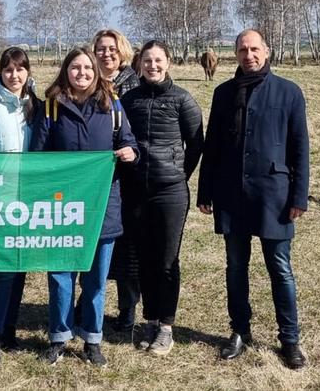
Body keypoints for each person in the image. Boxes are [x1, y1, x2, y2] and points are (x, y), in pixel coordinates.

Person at [197, 29, 309, 370]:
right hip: (232, 194)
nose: (249, 55)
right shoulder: (223, 93)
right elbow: (212, 146)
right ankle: (239, 332)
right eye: (243, 50)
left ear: (267, 51)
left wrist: (299, 197)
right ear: (236, 54)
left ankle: (290, 340)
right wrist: (205, 191)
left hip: (273, 196)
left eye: (255, 49)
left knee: (280, 269)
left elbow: (299, 148)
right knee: (235, 267)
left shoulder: (289, 92)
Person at [31, 47, 138, 367]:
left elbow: (128, 142)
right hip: (62, 208)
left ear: (96, 72)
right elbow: (37, 158)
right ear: (66, 71)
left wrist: (130, 152)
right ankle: (59, 337)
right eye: (75, 68)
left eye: (87, 69)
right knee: (61, 276)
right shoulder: (51, 106)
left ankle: (92, 339)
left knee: (95, 280)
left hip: (101, 207)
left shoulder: (112, 104)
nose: (82, 73)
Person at [120, 40, 204, 356]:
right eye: (147, 60)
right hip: (136, 191)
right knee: (143, 259)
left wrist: (178, 174)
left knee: (167, 260)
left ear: (168, 62)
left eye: (158, 60)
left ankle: (166, 326)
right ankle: (150, 320)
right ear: (139, 64)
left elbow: (196, 144)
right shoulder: (129, 100)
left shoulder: (183, 100)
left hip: (170, 192)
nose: (152, 65)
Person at [0, 47, 41, 366]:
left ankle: (10, 329)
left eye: (20, 69)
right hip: (1, 200)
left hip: (30, 202)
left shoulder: (39, 107)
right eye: (8, 69)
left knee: (19, 270)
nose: (14, 75)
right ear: (0, 72)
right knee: (2, 270)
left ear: (28, 71)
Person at [90, 28, 142, 332]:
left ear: (121, 50)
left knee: (127, 246)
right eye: (100, 49)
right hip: (96, 177)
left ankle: (127, 308)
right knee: (94, 240)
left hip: (127, 175)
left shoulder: (133, 84)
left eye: (111, 49)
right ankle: (89, 299)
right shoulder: (87, 81)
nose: (106, 54)